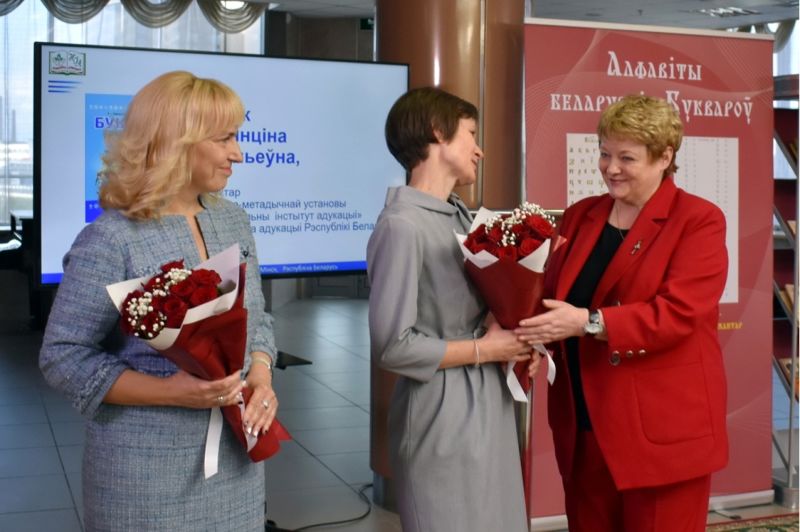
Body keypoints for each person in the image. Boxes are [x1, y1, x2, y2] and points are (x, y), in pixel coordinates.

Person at [39, 71, 278, 531]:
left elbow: (259, 319)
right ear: (177, 142)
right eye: (224, 139)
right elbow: (63, 356)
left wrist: (262, 377)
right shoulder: (111, 238)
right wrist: (171, 392)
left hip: (238, 461)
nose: (238, 153)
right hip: (144, 473)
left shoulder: (233, 220)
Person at [516, 94, 729, 531]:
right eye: (604, 154)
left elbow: (677, 314)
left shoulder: (699, 220)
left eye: (626, 157)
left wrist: (587, 322)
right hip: (583, 429)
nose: (610, 168)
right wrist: (532, 334)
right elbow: (550, 295)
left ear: (664, 157)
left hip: (660, 437)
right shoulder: (580, 216)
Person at [367, 86, 539, 532]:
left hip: (489, 399)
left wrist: (516, 338)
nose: (480, 149)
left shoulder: (462, 215)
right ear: (437, 133)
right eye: (471, 134)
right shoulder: (401, 226)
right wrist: (487, 349)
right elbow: (392, 347)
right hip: (440, 409)